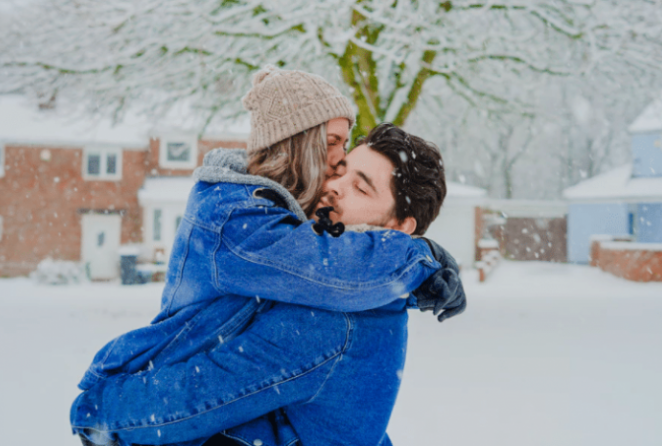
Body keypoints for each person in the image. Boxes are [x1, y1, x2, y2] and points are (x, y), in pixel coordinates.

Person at [71, 68, 465, 445]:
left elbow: (203, 392)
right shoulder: (283, 247)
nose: (334, 186)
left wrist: (101, 413)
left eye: (360, 189)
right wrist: (422, 260)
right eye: (340, 169)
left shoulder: (333, 316)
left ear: (400, 229)